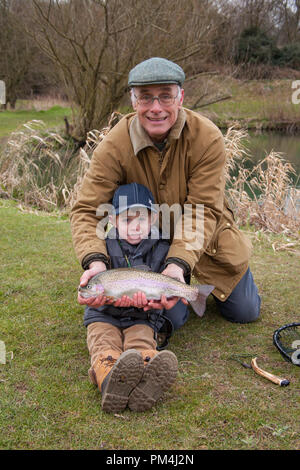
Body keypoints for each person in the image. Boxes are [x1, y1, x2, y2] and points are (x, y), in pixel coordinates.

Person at [82, 182, 188, 413]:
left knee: (141, 342)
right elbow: (90, 283)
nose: (135, 227)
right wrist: (93, 294)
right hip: (103, 314)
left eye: (141, 219)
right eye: (127, 220)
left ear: (153, 219)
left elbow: (161, 289)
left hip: (143, 315)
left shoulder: (162, 247)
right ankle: (110, 377)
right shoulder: (103, 245)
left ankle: (148, 375)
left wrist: (157, 301)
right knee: (103, 343)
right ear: (112, 220)